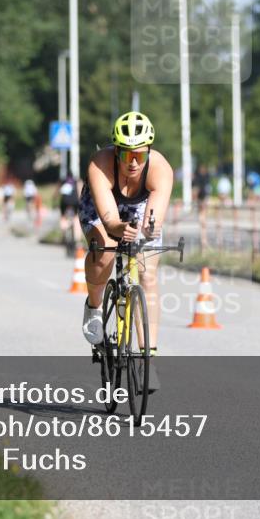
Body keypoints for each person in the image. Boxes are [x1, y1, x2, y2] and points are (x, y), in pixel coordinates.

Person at [79, 111, 172, 391]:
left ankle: (147, 361)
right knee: (105, 253)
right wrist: (118, 229)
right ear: (116, 151)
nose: (133, 162)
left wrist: (147, 232)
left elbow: (153, 219)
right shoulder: (100, 164)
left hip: (140, 208)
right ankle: (94, 307)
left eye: (140, 156)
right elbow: (108, 220)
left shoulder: (161, 169)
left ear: (149, 152)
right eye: (126, 155)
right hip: (102, 207)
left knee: (148, 273)